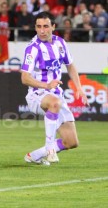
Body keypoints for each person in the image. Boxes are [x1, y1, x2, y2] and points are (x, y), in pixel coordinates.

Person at [21, 11, 89, 165]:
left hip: (57, 96)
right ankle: (50, 149)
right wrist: (46, 85)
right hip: (37, 94)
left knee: (71, 142)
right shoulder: (33, 48)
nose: (42, 30)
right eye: (38, 27)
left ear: (53, 26)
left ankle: (34, 155)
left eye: (45, 26)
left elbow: (70, 66)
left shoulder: (60, 43)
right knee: (54, 103)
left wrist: (79, 87)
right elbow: (24, 78)